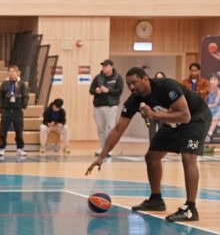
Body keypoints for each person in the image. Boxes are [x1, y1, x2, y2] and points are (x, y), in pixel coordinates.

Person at [86, 67, 212, 223]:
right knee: (151, 157)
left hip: (195, 118)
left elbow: (185, 116)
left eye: (134, 82)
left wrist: (154, 115)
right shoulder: (135, 99)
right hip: (173, 121)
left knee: (188, 157)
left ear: (145, 79)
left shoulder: (167, 86)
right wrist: (102, 156)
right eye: (128, 84)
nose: (131, 87)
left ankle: (191, 208)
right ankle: (156, 200)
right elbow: (118, 129)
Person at [90, 59, 124, 156]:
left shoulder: (117, 77)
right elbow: (91, 90)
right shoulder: (98, 77)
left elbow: (119, 91)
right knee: (100, 128)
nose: (104, 68)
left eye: (106, 66)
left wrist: (108, 90)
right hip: (98, 106)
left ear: (111, 66)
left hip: (111, 106)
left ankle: (109, 149)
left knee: (111, 128)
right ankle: (103, 148)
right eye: (103, 66)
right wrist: (96, 91)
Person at [0, 63, 29, 159]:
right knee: (3, 130)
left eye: (13, 71)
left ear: (17, 73)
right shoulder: (4, 84)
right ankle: (2, 148)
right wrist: (1, 107)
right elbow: (0, 97)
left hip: (17, 110)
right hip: (6, 110)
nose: (11, 73)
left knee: (19, 130)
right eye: (10, 71)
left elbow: (25, 96)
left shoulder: (22, 84)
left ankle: (20, 148)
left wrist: (23, 105)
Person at [206, 74, 220, 140]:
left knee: (214, 119)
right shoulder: (207, 89)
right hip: (210, 106)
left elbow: (215, 104)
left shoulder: (219, 91)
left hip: (219, 107)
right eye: (211, 79)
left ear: (219, 82)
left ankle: (209, 135)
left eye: (215, 80)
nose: (213, 81)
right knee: (211, 120)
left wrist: (207, 106)